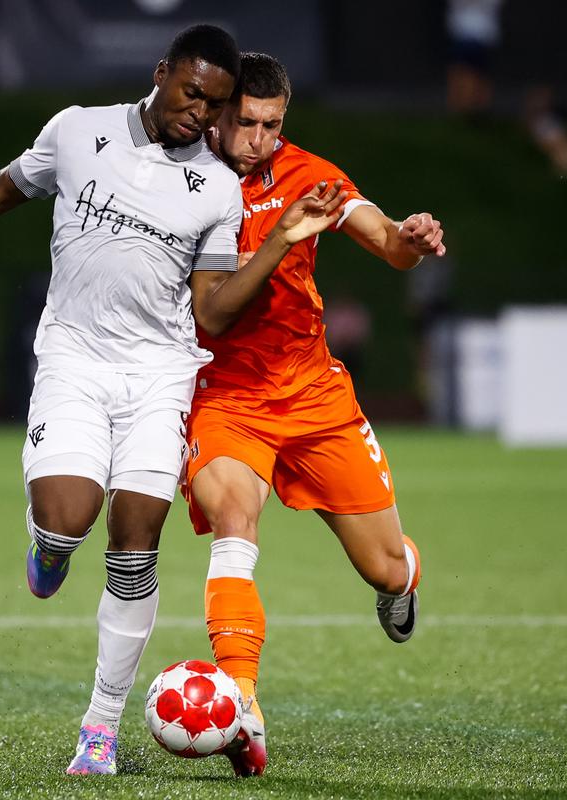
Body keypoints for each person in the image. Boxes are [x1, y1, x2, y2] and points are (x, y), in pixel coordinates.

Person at [0, 25, 346, 777]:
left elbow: (212, 310)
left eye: (215, 106)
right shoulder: (78, 131)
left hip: (159, 375)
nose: (200, 114)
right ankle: (48, 546)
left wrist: (277, 243)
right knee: (68, 519)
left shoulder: (216, 187)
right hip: (74, 360)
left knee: (136, 537)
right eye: (192, 94)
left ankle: (99, 728)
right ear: (162, 72)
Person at [184, 52, 446, 777]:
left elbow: (385, 240)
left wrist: (409, 240)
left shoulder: (309, 175)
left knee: (385, 568)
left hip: (313, 396)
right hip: (225, 396)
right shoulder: (182, 178)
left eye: (271, 126)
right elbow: (211, 313)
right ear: (219, 113)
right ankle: (241, 702)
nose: (257, 141)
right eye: (245, 122)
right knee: (234, 520)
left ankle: (404, 581)